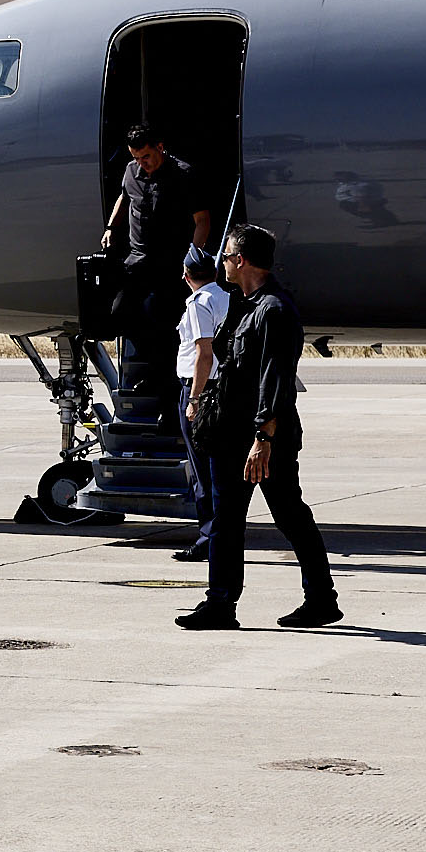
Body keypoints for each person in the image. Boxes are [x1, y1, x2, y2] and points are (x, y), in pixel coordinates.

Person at [177, 226, 341, 631]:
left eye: (228, 255)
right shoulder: (243, 305)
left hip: (263, 439)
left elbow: (276, 381)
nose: (223, 262)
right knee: (227, 520)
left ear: (243, 261)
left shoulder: (274, 311)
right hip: (232, 437)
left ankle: (321, 599)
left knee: (289, 515)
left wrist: (263, 440)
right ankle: (220, 604)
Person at [102, 124, 216, 430]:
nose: (143, 163)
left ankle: (169, 406)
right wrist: (112, 227)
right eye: (137, 157)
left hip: (171, 267)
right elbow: (124, 197)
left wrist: (193, 258)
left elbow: (202, 220)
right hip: (137, 261)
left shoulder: (183, 175)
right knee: (119, 314)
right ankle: (153, 372)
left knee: (165, 331)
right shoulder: (130, 171)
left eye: (148, 156)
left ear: (160, 147)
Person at [171, 245, 230, 563]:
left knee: (202, 470)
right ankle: (222, 534)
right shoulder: (226, 297)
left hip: (201, 390)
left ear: (186, 275)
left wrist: (194, 398)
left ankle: (209, 538)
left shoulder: (198, 303)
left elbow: (203, 354)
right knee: (218, 468)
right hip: (223, 388)